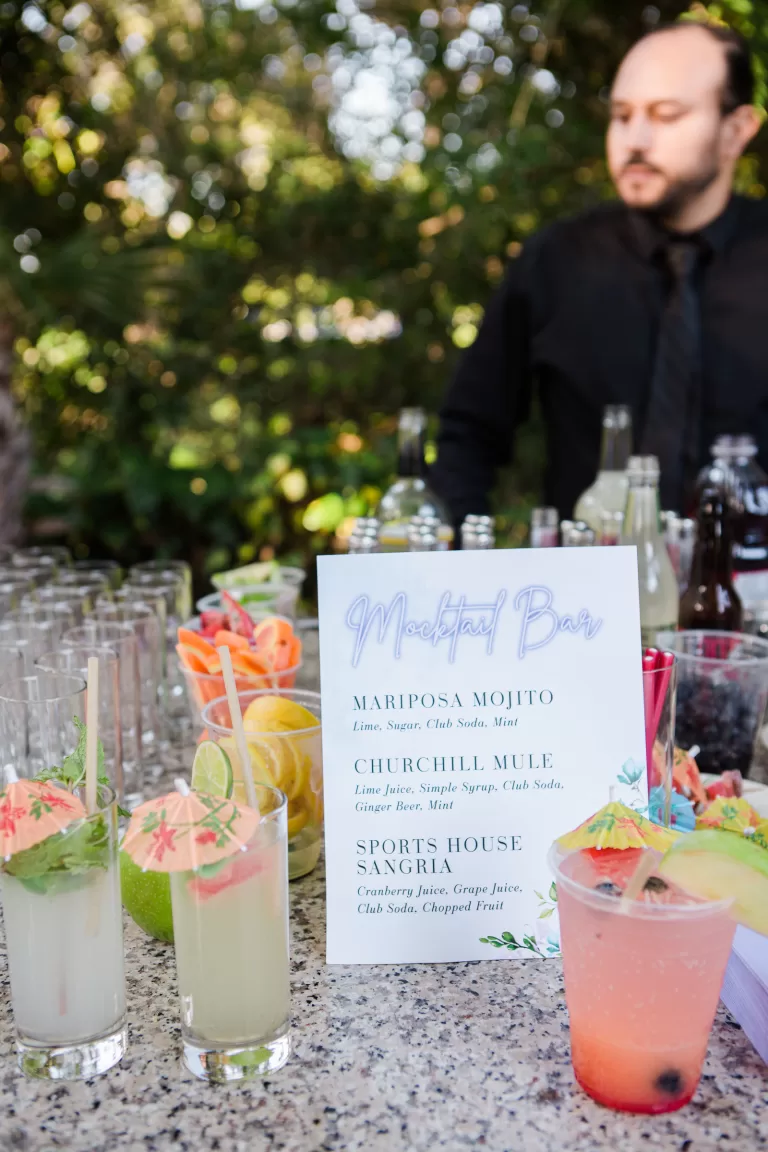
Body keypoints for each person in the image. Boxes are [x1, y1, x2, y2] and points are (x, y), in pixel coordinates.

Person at [431, 21, 766, 521]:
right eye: (622, 115)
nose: (636, 139)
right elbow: (469, 435)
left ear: (735, 130)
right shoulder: (556, 260)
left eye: (667, 115)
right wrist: (460, 550)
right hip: (584, 566)